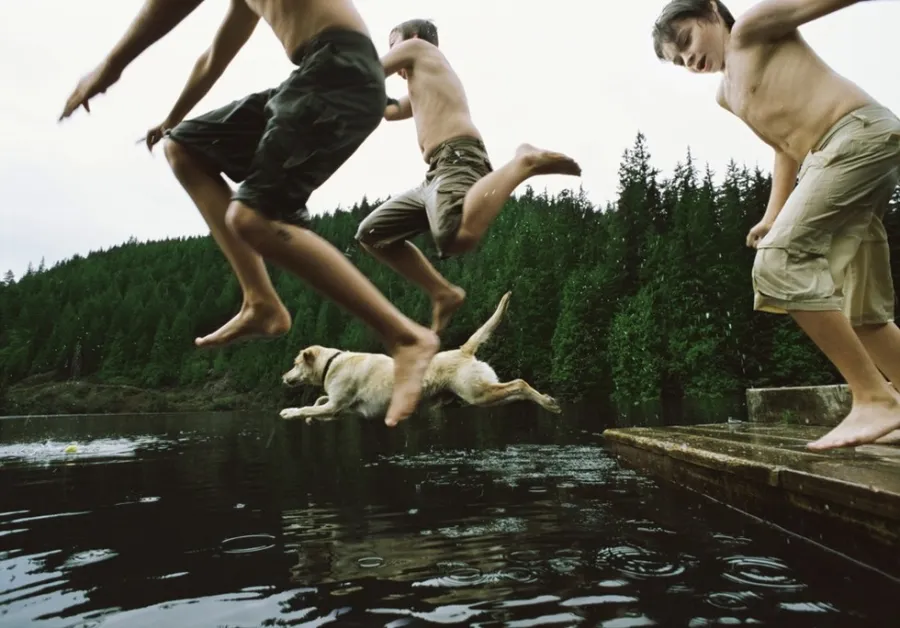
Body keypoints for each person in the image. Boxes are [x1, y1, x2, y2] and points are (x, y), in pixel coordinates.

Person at [59, 0, 441, 427]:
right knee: (182, 148)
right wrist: (172, 118)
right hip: (322, 72)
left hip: (339, 69)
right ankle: (260, 301)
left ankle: (406, 337)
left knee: (252, 217)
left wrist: (112, 64)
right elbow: (212, 58)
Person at [652, 0, 900, 450]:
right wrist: (773, 214)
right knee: (863, 312)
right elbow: (784, 146)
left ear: (711, 11)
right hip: (834, 157)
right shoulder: (726, 94)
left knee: (778, 264)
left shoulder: (750, 29)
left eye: (687, 41)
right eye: (679, 61)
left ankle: (874, 398)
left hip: (856, 135)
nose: (689, 61)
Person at [355, 19, 582, 333]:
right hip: (435, 174)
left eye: (393, 46)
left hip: (459, 158)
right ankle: (442, 293)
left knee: (453, 237)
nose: (393, 55)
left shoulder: (421, 49)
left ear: (414, 39)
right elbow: (390, 111)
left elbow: (371, 71)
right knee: (372, 234)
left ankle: (523, 162)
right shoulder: (423, 83)